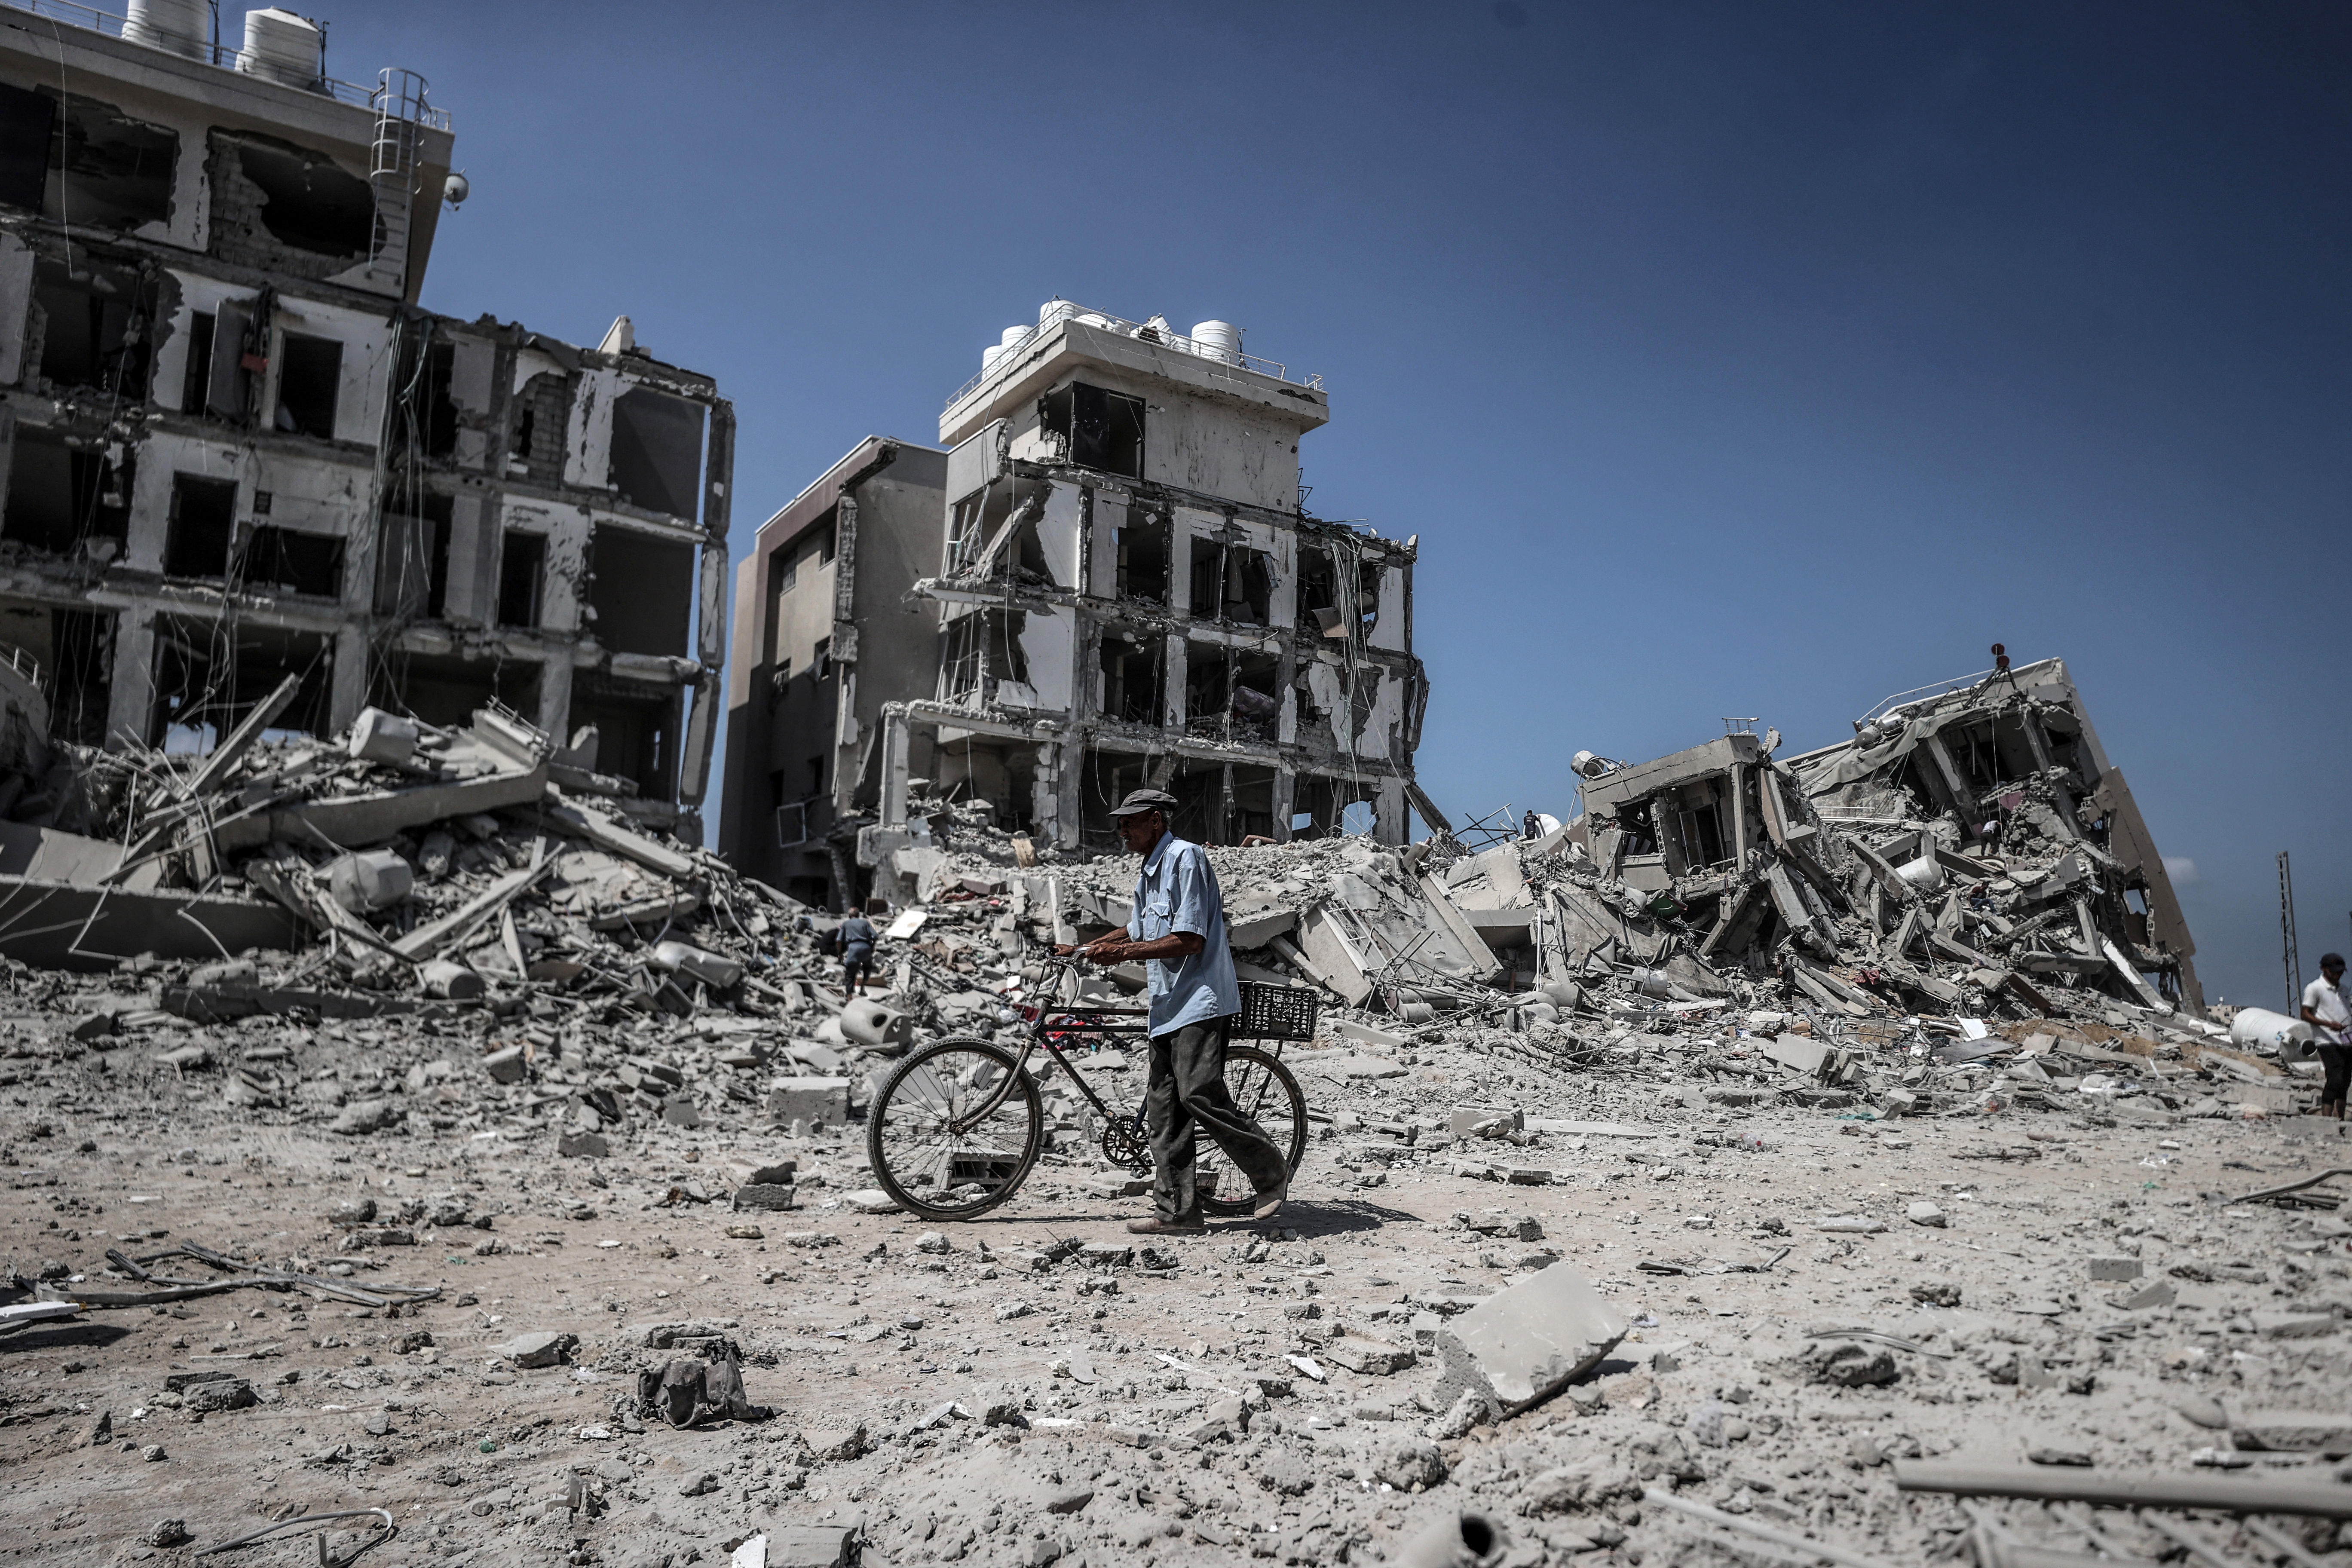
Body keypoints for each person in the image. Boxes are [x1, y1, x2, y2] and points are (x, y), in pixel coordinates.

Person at [1057, 788, 1289, 1235]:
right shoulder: (1149, 871)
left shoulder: (1186, 859)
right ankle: (1178, 1213)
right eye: (1120, 823)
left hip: (1200, 1000)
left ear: (1157, 822)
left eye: (1131, 821)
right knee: (1166, 1113)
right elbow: (1138, 928)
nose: (1122, 830)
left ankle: (1270, 1174)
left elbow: (1190, 939)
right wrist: (1088, 948)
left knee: (1198, 1094)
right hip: (1167, 1005)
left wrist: (1123, 955)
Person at [2301, 952, 2351, 1120]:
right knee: (2335, 1078)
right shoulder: (2315, 988)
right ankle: (2326, 1119)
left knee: (2345, 1079)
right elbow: (2305, 1014)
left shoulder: (2344, 990)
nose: (2338, 975)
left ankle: (2341, 1118)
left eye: (2341, 972)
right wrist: (2330, 1024)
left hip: (2346, 1039)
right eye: (2334, 971)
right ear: (2324, 969)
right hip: (2326, 1039)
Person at [837, 906, 878, 995]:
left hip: (853, 949)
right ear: (859, 915)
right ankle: (862, 989)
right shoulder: (865, 923)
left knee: (850, 974)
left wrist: (840, 954)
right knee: (867, 968)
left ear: (849, 915)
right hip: (866, 948)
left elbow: (839, 941)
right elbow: (875, 936)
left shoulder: (845, 924)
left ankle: (849, 997)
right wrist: (873, 947)